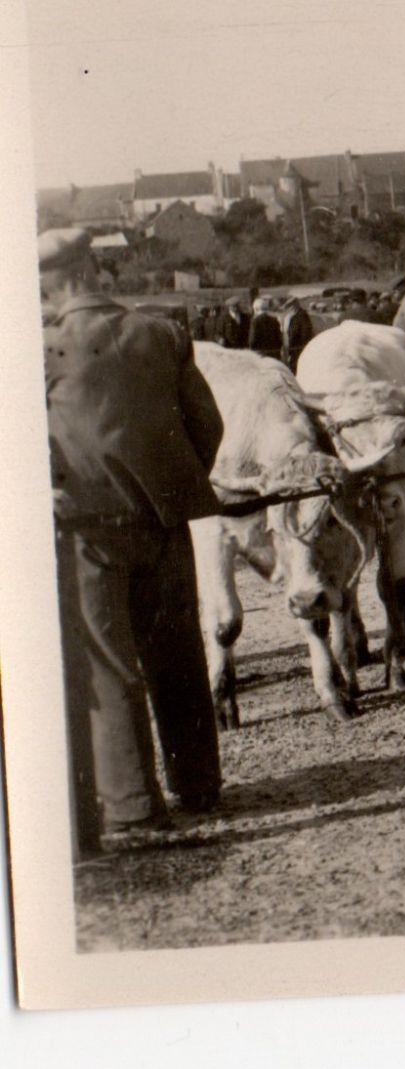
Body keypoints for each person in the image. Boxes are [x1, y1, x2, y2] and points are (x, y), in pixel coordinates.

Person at [39, 228, 224, 858]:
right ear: (94, 270)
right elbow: (208, 425)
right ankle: (198, 784)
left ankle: (134, 810)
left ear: (50, 283)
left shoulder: (44, 348)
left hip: (87, 532)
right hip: (165, 525)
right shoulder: (162, 331)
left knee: (110, 663)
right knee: (176, 653)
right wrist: (172, 492)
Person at [281, 296, 315, 372]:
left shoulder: (302, 316)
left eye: (289, 306)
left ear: (295, 306)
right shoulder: (290, 316)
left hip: (298, 350)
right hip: (292, 350)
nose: (288, 309)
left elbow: (305, 334)